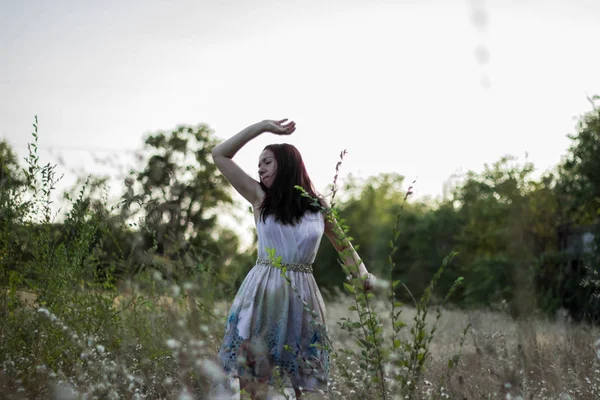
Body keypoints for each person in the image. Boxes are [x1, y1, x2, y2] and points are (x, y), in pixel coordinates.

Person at [211, 119, 375, 399]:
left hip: (303, 296)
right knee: (255, 383)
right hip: (264, 291)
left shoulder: (318, 204)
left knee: (303, 383)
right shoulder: (259, 198)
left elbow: (343, 246)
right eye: (258, 164)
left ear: (286, 165)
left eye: (266, 162)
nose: (259, 169)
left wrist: (363, 275)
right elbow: (219, 154)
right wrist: (262, 127)